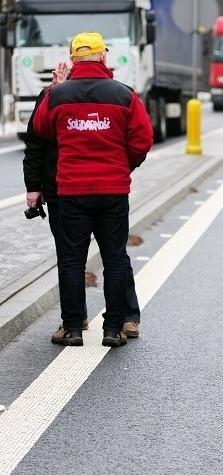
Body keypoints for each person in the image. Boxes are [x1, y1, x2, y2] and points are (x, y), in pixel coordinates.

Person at [32, 32, 153, 348]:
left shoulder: (59, 95)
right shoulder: (124, 95)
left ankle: (72, 329)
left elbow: (41, 129)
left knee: (72, 259)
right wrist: (123, 166)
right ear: (103, 57)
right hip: (113, 191)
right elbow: (142, 139)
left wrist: (52, 91)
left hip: (72, 190)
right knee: (114, 258)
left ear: (73, 60)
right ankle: (113, 329)